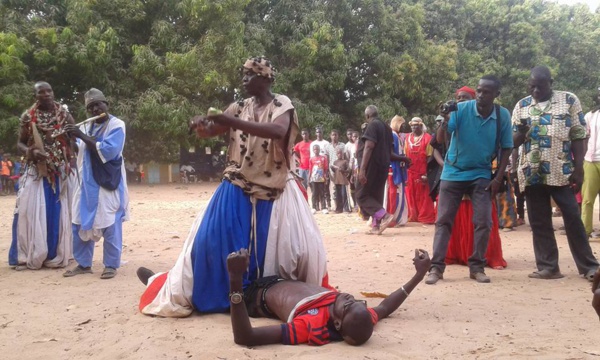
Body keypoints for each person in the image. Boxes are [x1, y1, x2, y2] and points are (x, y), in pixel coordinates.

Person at [137, 57, 328, 317]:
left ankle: (259, 297)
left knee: (292, 252)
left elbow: (277, 130)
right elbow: (211, 129)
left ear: (265, 78)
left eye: (250, 75)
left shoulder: (282, 103)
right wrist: (199, 125)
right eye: (243, 74)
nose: (244, 80)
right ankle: (184, 285)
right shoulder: (238, 106)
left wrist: (232, 123)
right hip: (237, 181)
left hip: (276, 186)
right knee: (206, 241)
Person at [184, 247, 429, 346]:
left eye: (347, 305)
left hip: (251, 293)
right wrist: (418, 276)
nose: (348, 297)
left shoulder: (309, 327)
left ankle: (160, 281)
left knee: (207, 264)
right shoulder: (360, 316)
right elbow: (385, 307)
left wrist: (235, 280)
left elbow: (245, 336)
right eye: (355, 301)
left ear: (337, 323)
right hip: (282, 276)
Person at [512, 66, 599, 281]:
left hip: (561, 171)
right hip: (532, 172)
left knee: (572, 218)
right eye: (531, 86)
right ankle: (548, 267)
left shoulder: (569, 100)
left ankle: (589, 267)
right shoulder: (522, 105)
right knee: (539, 221)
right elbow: (512, 143)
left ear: (551, 82)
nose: (535, 91)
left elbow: (579, 136)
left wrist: (579, 169)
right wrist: (515, 165)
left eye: (540, 87)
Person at [425, 75, 513, 285]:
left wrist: (498, 178)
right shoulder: (462, 109)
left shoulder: (502, 115)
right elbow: (439, 139)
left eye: (487, 92)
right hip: (453, 172)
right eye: (479, 90)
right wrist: (445, 119)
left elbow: (507, 146)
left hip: (481, 174)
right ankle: (436, 268)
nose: (481, 95)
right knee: (444, 220)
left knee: (484, 222)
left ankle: (477, 267)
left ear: (496, 95)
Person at [61, 88, 130, 280]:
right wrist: (70, 139)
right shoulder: (86, 127)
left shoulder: (117, 125)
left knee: (110, 224)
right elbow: (81, 151)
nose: (94, 109)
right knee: (79, 222)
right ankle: (83, 264)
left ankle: (111, 265)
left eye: (98, 104)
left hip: (107, 183)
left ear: (106, 104)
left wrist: (81, 136)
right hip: (85, 185)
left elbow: (109, 150)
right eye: (90, 107)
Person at [9, 81, 75, 270]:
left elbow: (73, 139)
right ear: (36, 96)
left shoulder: (64, 115)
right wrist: (31, 152)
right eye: (41, 92)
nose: (46, 94)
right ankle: (25, 256)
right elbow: (20, 144)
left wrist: (70, 160)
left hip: (59, 173)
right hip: (36, 172)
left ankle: (54, 255)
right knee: (27, 212)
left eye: (49, 91)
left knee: (57, 214)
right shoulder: (27, 117)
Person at [356, 105, 409, 235]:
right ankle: (376, 226)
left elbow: (369, 146)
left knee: (361, 195)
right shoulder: (387, 128)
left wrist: (362, 170)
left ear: (367, 116)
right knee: (375, 194)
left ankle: (384, 215)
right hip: (383, 166)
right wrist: (403, 158)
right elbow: (390, 152)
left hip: (371, 166)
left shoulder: (372, 125)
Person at [404, 117, 436, 224]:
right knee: (410, 194)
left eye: (416, 125)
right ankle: (413, 215)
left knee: (424, 195)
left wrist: (427, 173)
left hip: (422, 172)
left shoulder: (427, 138)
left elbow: (430, 157)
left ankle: (425, 217)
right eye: (412, 125)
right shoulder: (407, 138)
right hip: (410, 172)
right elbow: (405, 155)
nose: (413, 127)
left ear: (421, 126)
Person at [581, 87, 600, 237]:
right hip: (591, 161)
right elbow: (583, 137)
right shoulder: (591, 116)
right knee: (587, 199)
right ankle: (585, 231)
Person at [384, 115, 408, 227]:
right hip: (394, 169)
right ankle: (393, 218)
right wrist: (403, 158)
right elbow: (390, 154)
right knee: (394, 194)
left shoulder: (397, 136)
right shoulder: (392, 135)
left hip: (399, 168)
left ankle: (398, 218)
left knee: (398, 193)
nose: (404, 127)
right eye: (402, 124)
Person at [309, 144, 329, 214]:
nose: (316, 150)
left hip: (321, 179)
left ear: (319, 150)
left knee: (322, 193)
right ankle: (314, 207)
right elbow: (310, 169)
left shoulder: (323, 158)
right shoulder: (311, 159)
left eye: (317, 149)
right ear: (313, 150)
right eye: (315, 149)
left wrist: (326, 177)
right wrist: (309, 178)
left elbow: (326, 169)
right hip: (314, 179)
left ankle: (324, 207)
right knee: (314, 193)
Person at [331, 147, 350, 213]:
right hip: (337, 180)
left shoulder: (345, 161)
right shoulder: (335, 162)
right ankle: (339, 208)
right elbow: (334, 171)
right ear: (336, 154)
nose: (339, 154)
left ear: (342, 154)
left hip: (343, 181)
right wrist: (332, 168)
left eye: (340, 153)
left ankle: (346, 208)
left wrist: (343, 170)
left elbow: (348, 170)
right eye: (338, 153)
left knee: (344, 194)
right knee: (338, 195)